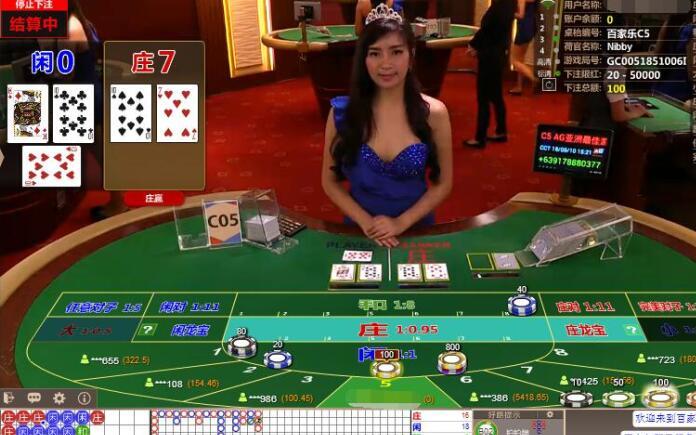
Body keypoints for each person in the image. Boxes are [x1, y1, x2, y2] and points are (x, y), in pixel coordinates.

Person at [322, 4, 453, 248]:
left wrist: (401, 223)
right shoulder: (341, 113)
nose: (386, 64)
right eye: (375, 53)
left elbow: (444, 183)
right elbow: (329, 182)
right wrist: (368, 223)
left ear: (411, 55)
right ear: (363, 59)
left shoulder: (434, 113)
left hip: (416, 230)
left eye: (396, 52)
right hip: (361, 231)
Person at [464, 0, 517, 148]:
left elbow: (487, 30)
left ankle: (480, 138)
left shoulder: (499, 6)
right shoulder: (509, 4)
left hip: (489, 56)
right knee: (496, 96)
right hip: (499, 55)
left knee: (484, 98)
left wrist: (473, 45)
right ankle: (501, 131)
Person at [509, 0, 538, 95]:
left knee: (514, 60)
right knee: (520, 60)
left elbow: (520, 15)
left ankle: (534, 79)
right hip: (531, 28)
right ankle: (519, 87)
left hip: (523, 29)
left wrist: (508, 13)